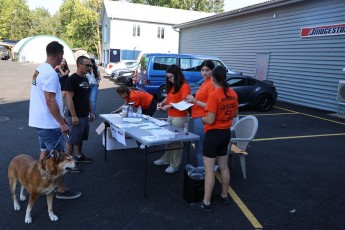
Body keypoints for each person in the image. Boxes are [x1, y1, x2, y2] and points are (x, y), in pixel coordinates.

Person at [28, 41, 81, 200]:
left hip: (40, 122)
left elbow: (50, 100)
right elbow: (50, 100)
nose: (62, 58)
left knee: (44, 153)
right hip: (48, 124)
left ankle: (36, 181)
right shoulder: (50, 73)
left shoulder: (39, 69)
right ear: (59, 55)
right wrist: (62, 123)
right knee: (60, 158)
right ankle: (61, 190)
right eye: (62, 55)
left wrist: (60, 117)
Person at [191, 66, 238, 212]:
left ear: (213, 79)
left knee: (209, 170)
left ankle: (206, 202)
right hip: (225, 133)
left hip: (213, 134)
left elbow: (210, 120)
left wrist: (203, 118)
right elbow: (235, 114)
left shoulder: (215, 95)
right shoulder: (233, 93)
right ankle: (224, 196)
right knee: (224, 167)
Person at [154, 65, 191, 173]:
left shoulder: (184, 86)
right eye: (168, 77)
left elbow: (185, 103)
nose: (169, 79)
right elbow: (169, 97)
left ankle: (175, 164)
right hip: (171, 115)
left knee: (175, 141)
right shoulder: (173, 85)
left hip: (180, 117)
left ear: (177, 75)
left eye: (171, 77)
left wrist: (170, 106)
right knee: (169, 139)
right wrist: (163, 102)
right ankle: (166, 159)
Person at [65, 56, 95, 172]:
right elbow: (69, 99)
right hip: (75, 116)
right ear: (79, 65)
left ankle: (79, 156)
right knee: (72, 139)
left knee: (80, 137)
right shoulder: (72, 79)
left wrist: (91, 112)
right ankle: (68, 163)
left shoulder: (86, 79)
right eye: (87, 65)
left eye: (90, 66)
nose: (89, 68)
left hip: (84, 115)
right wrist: (73, 115)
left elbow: (87, 97)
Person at [185, 60, 215, 167]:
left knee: (200, 146)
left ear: (212, 71)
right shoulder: (205, 82)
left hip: (202, 118)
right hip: (198, 116)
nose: (204, 72)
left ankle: (202, 170)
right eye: (202, 70)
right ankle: (204, 168)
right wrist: (193, 100)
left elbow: (210, 105)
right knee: (200, 145)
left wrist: (195, 100)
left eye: (207, 70)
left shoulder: (211, 84)